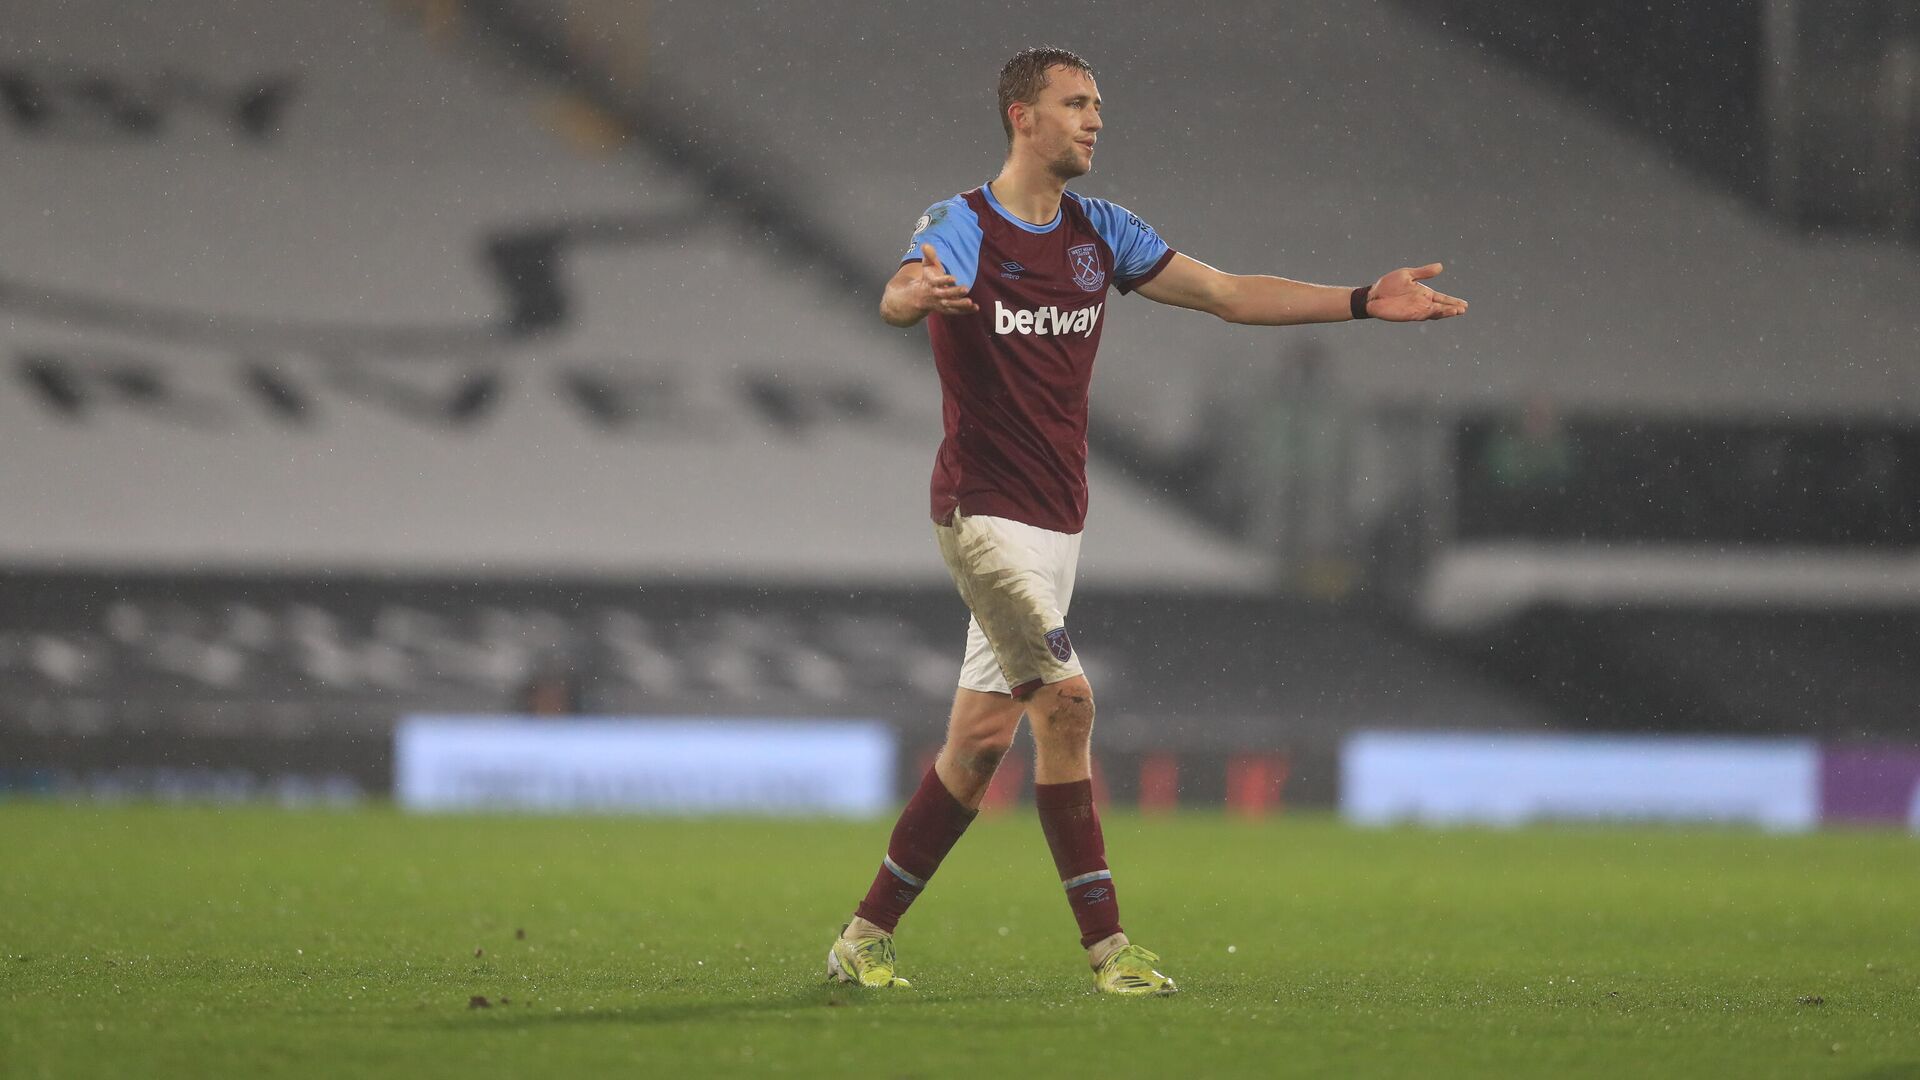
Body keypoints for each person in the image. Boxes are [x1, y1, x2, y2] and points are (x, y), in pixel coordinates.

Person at [827, 46, 1468, 997]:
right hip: (983, 514)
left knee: (974, 748)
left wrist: (1360, 303)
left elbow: (1226, 294)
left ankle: (863, 937)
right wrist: (904, 296)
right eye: (1074, 104)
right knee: (1070, 707)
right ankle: (1108, 950)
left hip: (1057, 526)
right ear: (1022, 118)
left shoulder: (1102, 233)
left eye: (1098, 107)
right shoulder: (964, 224)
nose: (1092, 121)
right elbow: (907, 282)